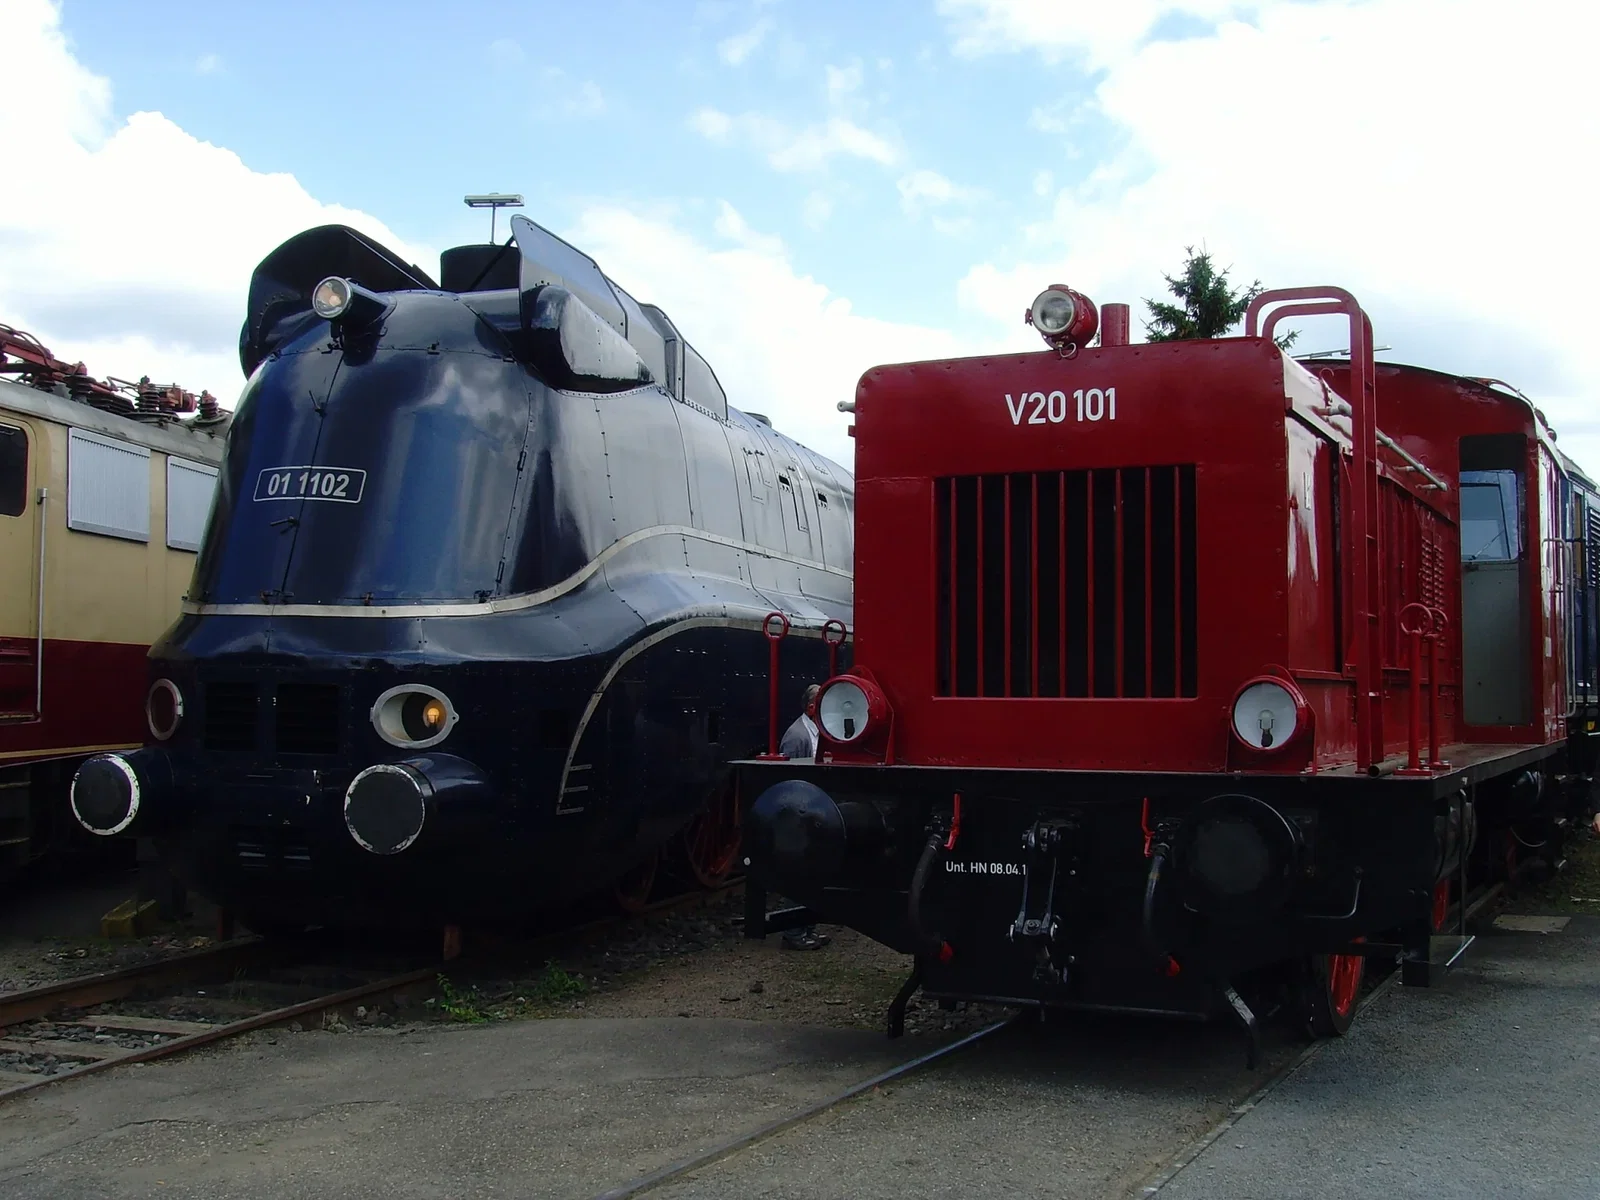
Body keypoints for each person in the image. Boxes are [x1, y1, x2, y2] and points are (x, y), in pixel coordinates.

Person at [777, 684, 830, 951]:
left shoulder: (816, 732)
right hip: (799, 815)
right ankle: (795, 932)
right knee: (799, 873)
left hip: (813, 813)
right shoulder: (797, 737)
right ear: (811, 709)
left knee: (813, 872)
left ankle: (807, 927)